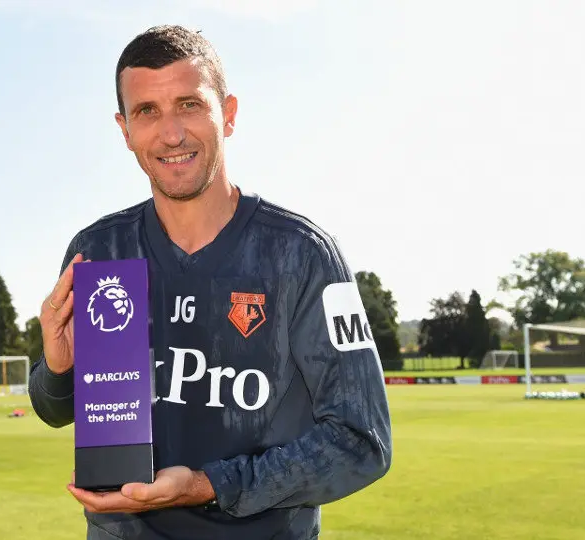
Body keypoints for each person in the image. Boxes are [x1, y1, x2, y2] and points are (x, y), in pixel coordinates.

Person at [29, 24, 392, 540]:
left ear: (229, 113)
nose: (171, 133)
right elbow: (53, 409)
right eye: (147, 112)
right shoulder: (100, 252)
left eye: (189, 104)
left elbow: (363, 441)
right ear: (124, 129)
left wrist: (208, 484)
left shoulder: (303, 255)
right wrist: (60, 368)